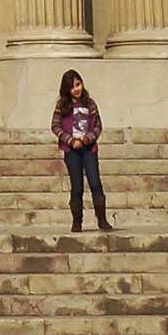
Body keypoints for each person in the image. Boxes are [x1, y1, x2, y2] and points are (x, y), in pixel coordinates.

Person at [53, 71, 109, 234]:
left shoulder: (89, 103)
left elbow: (98, 125)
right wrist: (71, 141)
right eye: (72, 87)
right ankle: (77, 221)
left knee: (95, 182)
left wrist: (87, 139)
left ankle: (102, 219)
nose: (76, 89)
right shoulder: (62, 106)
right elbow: (55, 126)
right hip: (72, 150)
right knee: (77, 186)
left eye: (78, 85)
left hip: (88, 149)